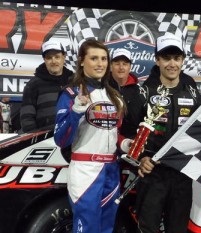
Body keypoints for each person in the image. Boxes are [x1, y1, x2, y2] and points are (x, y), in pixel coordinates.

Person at [54, 39, 131, 233]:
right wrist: (77, 110)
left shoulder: (114, 95)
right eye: (94, 58)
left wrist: (125, 145)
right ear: (81, 60)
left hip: (111, 170)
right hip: (85, 170)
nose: (100, 64)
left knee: (107, 227)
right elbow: (61, 139)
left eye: (104, 59)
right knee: (87, 228)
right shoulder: (71, 94)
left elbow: (114, 133)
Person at [132, 34, 201, 233]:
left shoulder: (192, 89)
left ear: (182, 60)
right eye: (166, 58)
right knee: (148, 228)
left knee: (178, 229)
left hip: (182, 174)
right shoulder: (144, 91)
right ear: (157, 60)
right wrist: (141, 159)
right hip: (152, 175)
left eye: (176, 58)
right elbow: (129, 134)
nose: (172, 63)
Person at [20, 40, 74, 133]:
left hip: (73, 139)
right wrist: (35, 138)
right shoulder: (33, 84)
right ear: (44, 59)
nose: (53, 61)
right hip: (45, 142)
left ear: (64, 57)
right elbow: (27, 117)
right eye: (49, 58)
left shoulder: (74, 82)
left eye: (57, 57)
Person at [109, 48, 143, 139]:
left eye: (125, 64)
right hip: (105, 141)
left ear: (130, 67)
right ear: (111, 66)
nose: (121, 67)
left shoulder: (139, 91)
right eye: (117, 64)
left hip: (129, 143)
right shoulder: (102, 87)